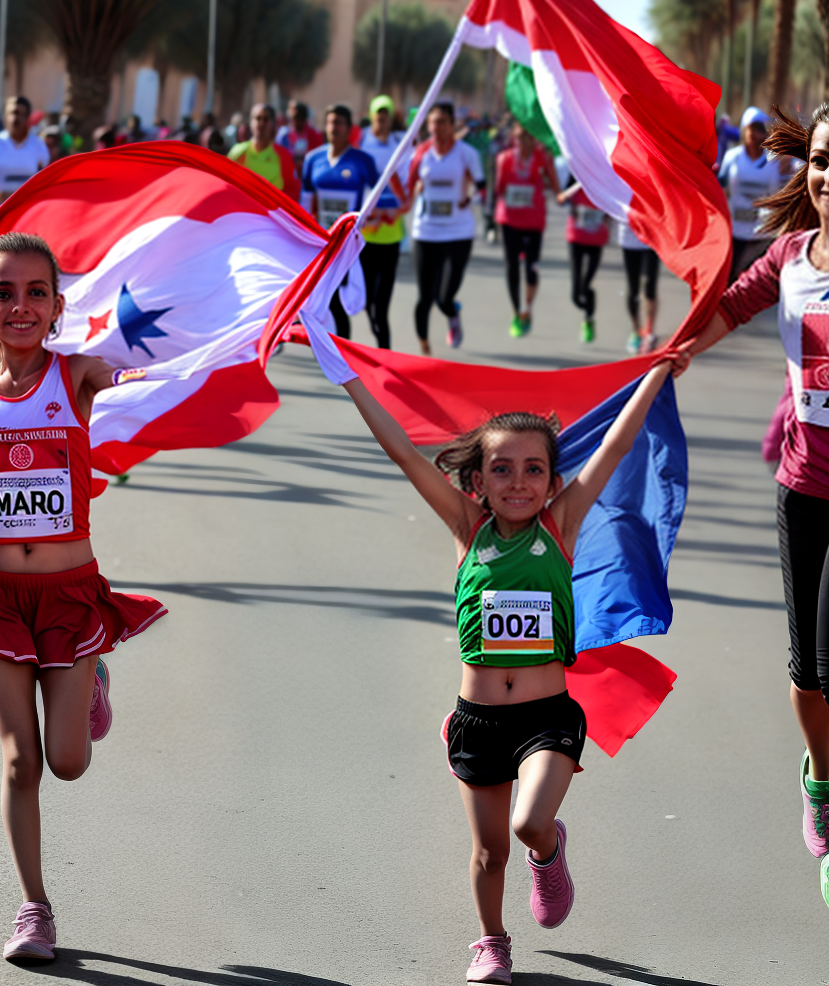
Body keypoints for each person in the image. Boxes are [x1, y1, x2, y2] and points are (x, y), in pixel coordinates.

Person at [305, 317, 670, 984]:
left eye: (534, 470)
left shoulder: (560, 524)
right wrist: (347, 378)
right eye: (502, 470)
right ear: (478, 479)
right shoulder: (466, 527)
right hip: (477, 722)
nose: (518, 482)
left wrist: (659, 370)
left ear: (552, 481)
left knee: (529, 823)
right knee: (488, 852)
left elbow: (616, 445)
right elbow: (404, 454)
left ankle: (549, 850)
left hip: (547, 716)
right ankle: (492, 943)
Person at [0, 231, 166, 962]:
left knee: (69, 761)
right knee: (22, 762)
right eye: (4, 292)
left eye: (36, 292)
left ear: (56, 307)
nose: (20, 305)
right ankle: (34, 909)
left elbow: (144, 378)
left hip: (66, 595)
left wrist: (198, 358)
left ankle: (91, 677)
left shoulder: (76, 374)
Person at [671, 102, 829, 909]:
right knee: (809, 674)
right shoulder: (791, 257)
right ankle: (821, 778)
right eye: (824, 162)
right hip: (804, 488)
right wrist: (676, 355)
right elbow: (732, 306)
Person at [300, 104, 388, 338]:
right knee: (324, 302)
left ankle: (342, 351)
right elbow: (305, 202)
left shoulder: (363, 161)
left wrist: (370, 220)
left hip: (349, 244)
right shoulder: (313, 159)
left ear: (349, 129)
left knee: (342, 302)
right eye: (330, 122)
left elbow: (377, 198)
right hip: (322, 242)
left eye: (339, 123)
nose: (334, 128)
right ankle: (332, 351)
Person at [408, 101, 486, 355]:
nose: (437, 128)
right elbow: (407, 185)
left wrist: (469, 198)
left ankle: (452, 314)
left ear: (453, 125)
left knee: (443, 298)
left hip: (458, 232)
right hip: (426, 230)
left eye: (442, 122)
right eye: (433, 123)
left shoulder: (466, 154)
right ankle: (424, 348)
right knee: (424, 297)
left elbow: (482, 188)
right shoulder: (420, 153)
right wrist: (415, 189)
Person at [494, 122, 560, 338]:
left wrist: (559, 194)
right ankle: (517, 311)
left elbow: (556, 187)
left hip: (533, 221)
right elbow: (498, 189)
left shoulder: (543, 158)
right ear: (513, 138)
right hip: (510, 219)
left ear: (533, 139)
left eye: (526, 137)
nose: (522, 141)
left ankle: (528, 306)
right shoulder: (504, 159)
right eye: (518, 137)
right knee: (512, 267)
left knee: (531, 268)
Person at [358, 95, 410, 349]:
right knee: (368, 303)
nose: (382, 119)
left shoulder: (400, 145)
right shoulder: (361, 143)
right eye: (378, 114)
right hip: (365, 236)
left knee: (381, 308)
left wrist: (395, 210)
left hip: (390, 234)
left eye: (386, 114)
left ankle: (385, 357)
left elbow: (408, 188)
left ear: (391, 118)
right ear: (371, 116)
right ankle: (382, 349)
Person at [719, 106, 790, 282]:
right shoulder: (732, 158)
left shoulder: (776, 161)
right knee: (729, 281)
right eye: (750, 129)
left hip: (762, 235)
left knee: (752, 283)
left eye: (759, 129)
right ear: (744, 130)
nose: (753, 134)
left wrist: (787, 171)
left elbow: (787, 191)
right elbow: (719, 187)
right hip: (734, 230)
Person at [0, 96, 49, 228]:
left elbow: (43, 184)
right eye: (12, 113)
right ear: (5, 116)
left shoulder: (39, 146)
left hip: (26, 222)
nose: (15, 119)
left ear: (28, 118)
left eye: (20, 114)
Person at [556, 180, 608, 343]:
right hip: (576, 238)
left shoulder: (604, 182)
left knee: (586, 286)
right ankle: (587, 311)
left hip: (596, 240)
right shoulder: (576, 178)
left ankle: (589, 318)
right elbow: (560, 199)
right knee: (576, 295)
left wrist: (607, 216)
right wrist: (577, 187)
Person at [227, 103, 300, 201]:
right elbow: (226, 186)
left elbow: (292, 194)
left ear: (273, 123)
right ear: (251, 122)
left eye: (265, 119)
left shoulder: (283, 156)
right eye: (257, 118)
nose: (261, 123)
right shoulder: (237, 152)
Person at [618, 221, 660, 354]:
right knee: (633, 288)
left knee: (649, 285)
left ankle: (649, 332)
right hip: (629, 239)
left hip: (652, 238)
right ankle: (636, 330)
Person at [275, 100, 324, 179]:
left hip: (308, 175)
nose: (295, 121)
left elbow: (317, 157)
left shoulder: (314, 135)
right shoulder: (283, 134)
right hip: (287, 174)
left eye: (298, 117)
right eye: (292, 117)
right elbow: (278, 154)